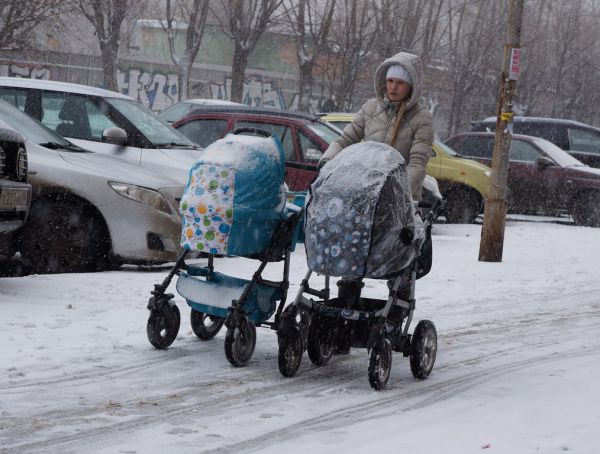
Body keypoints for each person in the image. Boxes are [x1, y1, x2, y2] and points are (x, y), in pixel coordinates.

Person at [319, 51, 433, 201]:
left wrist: (402, 194)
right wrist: (327, 162)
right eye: (390, 80)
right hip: (363, 191)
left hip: (398, 198)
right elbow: (345, 140)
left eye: (400, 83)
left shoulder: (421, 118)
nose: (393, 87)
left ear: (412, 86)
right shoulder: (370, 108)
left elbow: (417, 163)